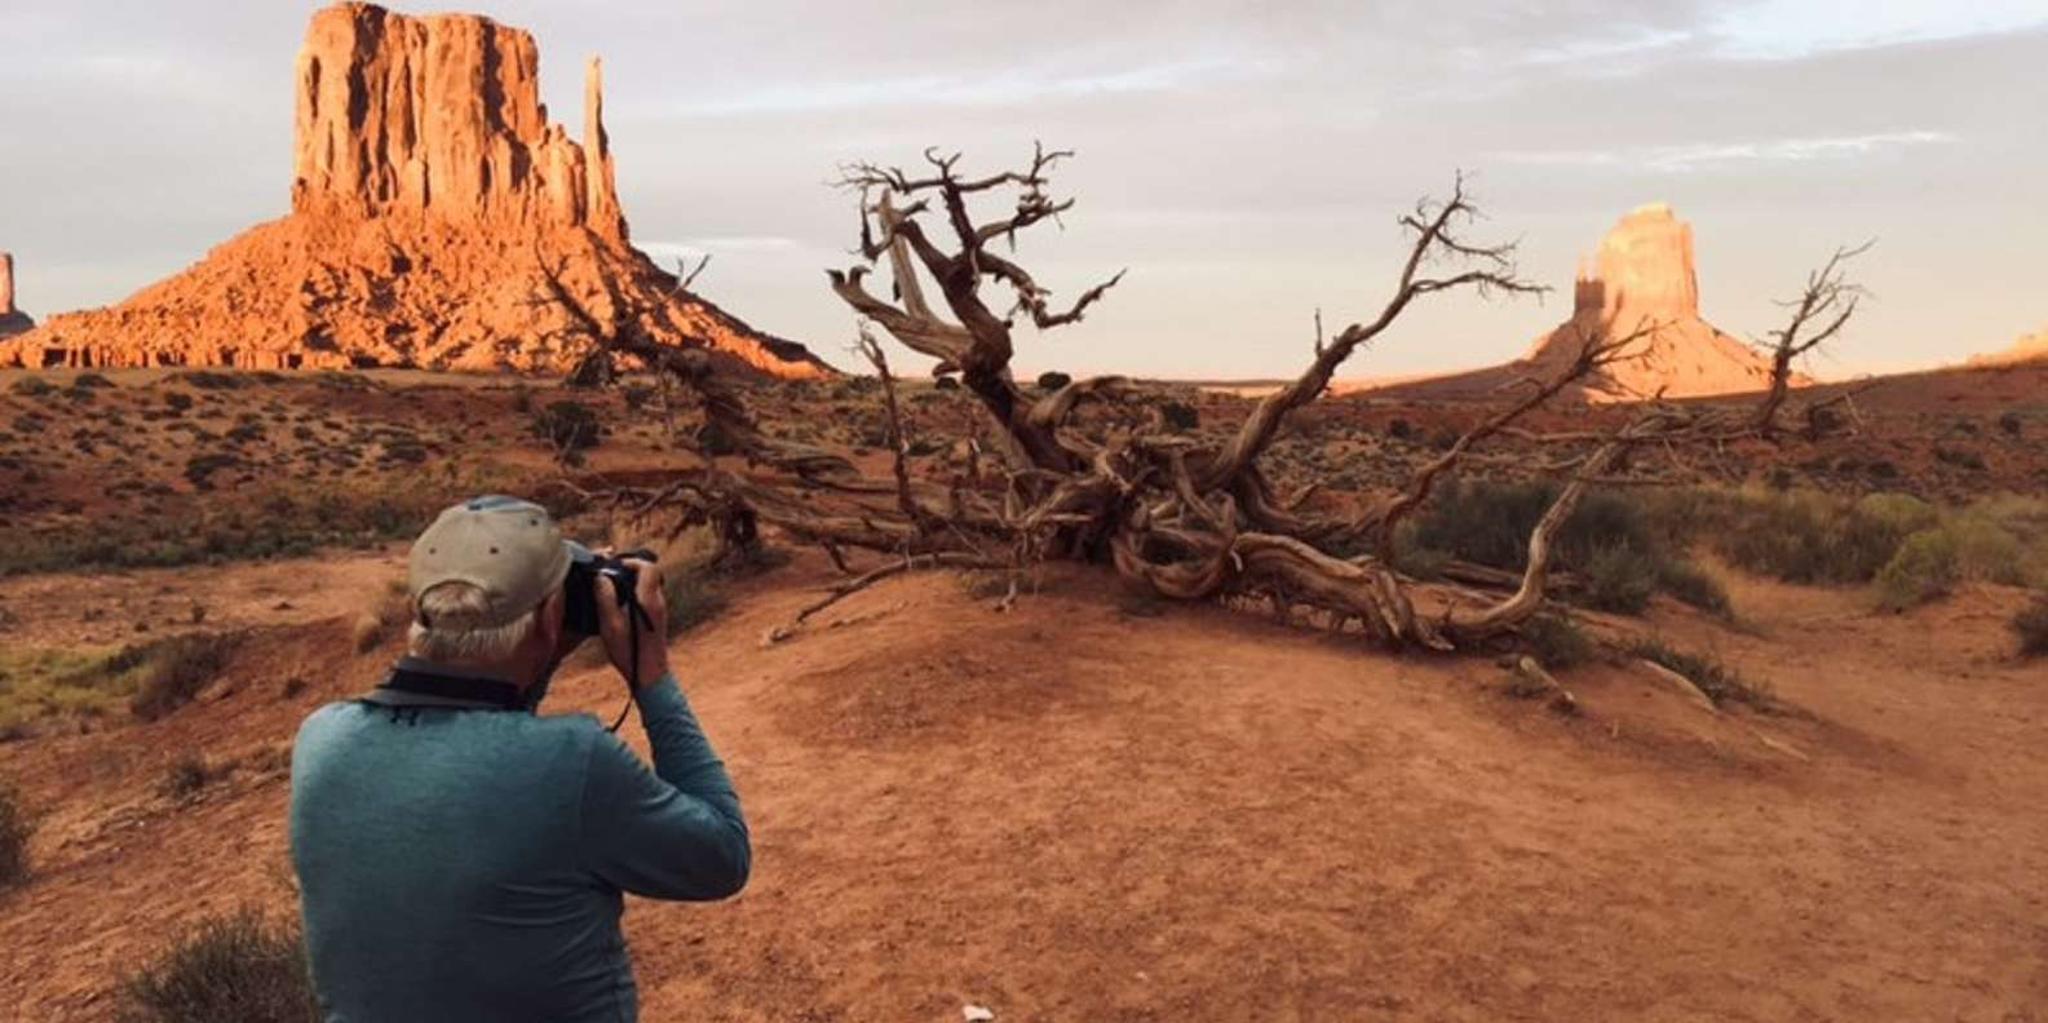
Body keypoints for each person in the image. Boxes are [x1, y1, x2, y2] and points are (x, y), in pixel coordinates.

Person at [289, 495, 749, 1022]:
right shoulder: (573, 762)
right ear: (552, 619)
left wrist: (542, 646)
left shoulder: (321, 740)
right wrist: (653, 674)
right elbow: (722, 857)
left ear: (420, 612)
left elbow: (482, 736)